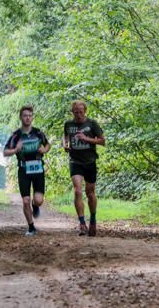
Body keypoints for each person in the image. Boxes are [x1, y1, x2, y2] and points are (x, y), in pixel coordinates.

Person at [3, 105, 51, 236]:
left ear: (32, 117)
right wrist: (15, 150)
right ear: (21, 117)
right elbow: (5, 152)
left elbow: (47, 144)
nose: (28, 118)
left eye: (30, 115)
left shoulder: (38, 133)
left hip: (38, 169)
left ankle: (35, 206)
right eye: (25, 115)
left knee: (38, 200)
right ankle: (31, 227)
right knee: (25, 200)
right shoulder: (16, 135)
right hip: (23, 169)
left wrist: (44, 150)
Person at [62, 100, 105, 236]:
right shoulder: (68, 124)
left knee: (90, 193)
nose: (79, 115)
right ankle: (81, 223)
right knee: (77, 191)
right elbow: (65, 136)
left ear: (85, 111)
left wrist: (86, 139)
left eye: (81, 112)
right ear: (72, 112)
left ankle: (92, 219)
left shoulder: (92, 124)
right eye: (76, 112)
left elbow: (102, 141)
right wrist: (65, 144)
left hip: (90, 162)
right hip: (75, 161)